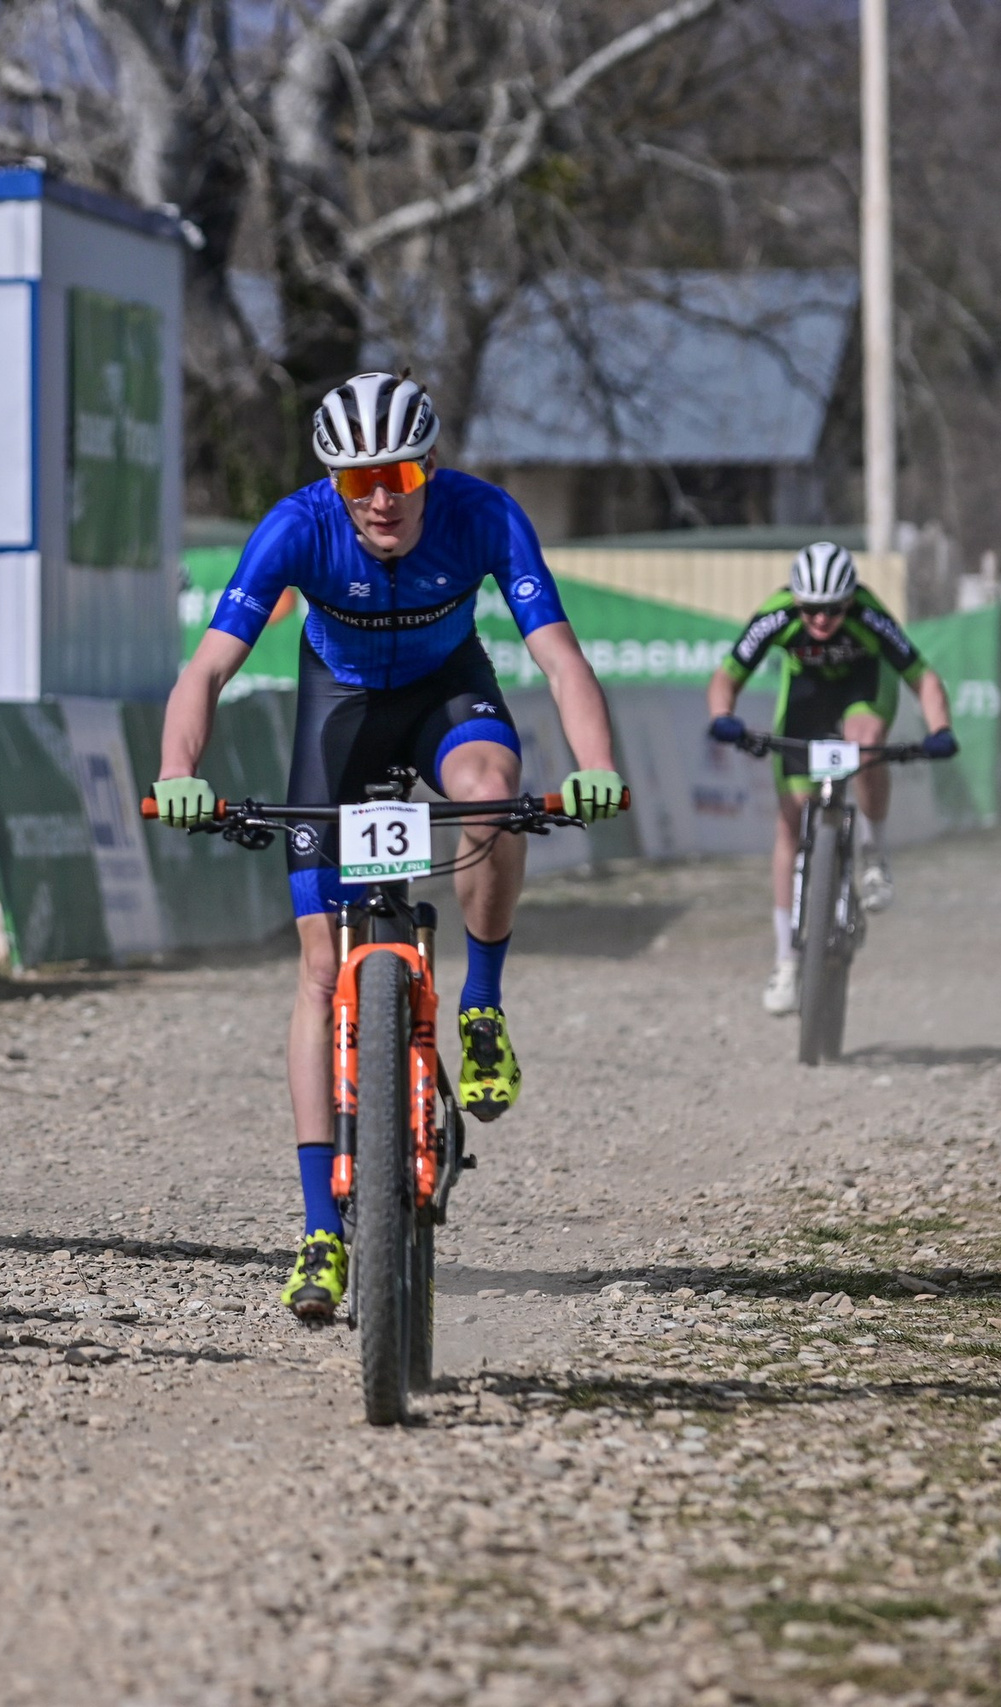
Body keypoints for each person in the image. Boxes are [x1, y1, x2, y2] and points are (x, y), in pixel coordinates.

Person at [151, 372, 625, 1322]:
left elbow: (559, 654)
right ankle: (321, 1229)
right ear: (332, 479)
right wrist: (177, 773)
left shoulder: (485, 515)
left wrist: (597, 764)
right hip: (342, 710)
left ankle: (481, 1006)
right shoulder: (296, 528)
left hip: (449, 692)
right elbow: (207, 666)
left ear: (430, 468)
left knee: (491, 799)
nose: (379, 496)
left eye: (399, 472)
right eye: (356, 475)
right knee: (322, 969)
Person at [703, 541, 955, 1016]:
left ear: (850, 599)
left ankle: (873, 851)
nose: (821, 620)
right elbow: (727, 675)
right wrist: (723, 716)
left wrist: (940, 729)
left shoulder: (870, 614)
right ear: (796, 600)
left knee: (865, 743)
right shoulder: (777, 615)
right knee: (789, 822)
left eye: (834, 609)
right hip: (808, 695)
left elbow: (923, 677)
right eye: (812, 610)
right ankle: (786, 962)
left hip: (863, 686)